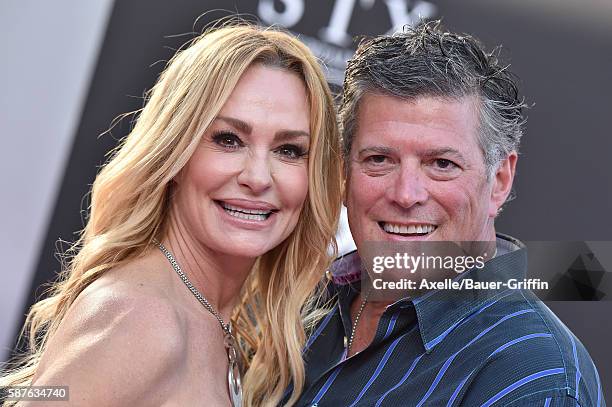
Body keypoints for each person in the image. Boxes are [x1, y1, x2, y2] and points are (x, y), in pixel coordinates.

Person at [0, 23, 342, 406]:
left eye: (290, 150)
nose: (258, 177)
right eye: (228, 140)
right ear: (175, 154)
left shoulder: (207, 319)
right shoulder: (142, 318)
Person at [292, 21, 605, 406]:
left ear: (500, 180)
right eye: (379, 159)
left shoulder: (535, 373)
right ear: (343, 173)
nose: (406, 194)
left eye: (441, 164)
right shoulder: (303, 306)